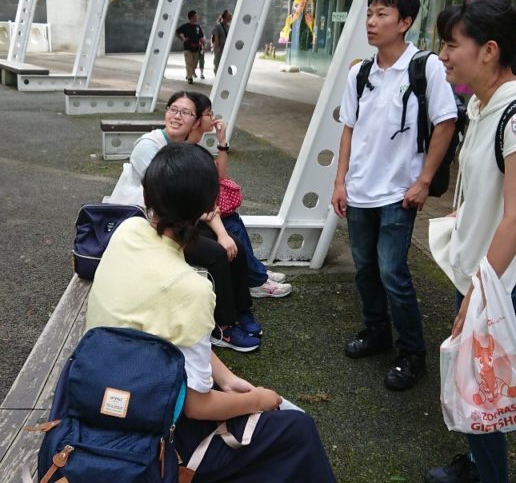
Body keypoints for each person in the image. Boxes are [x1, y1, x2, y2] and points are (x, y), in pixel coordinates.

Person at [87, 143, 338, 483]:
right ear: (208, 208)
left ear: (149, 196)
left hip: (100, 386)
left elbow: (173, 332)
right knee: (297, 427)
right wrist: (259, 399)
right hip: (149, 424)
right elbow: (196, 406)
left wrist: (227, 378)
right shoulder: (191, 288)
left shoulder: (128, 231)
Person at [424, 0, 516, 483]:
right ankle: (476, 463)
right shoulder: (483, 105)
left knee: (477, 385)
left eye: (450, 44)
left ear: (488, 50)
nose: (442, 54)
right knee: (472, 377)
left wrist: (481, 294)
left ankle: (488, 476)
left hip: (508, 277)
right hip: (484, 269)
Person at [330, 0, 459, 391]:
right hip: (360, 189)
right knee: (365, 268)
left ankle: (411, 352)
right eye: (370, 13)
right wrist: (340, 181)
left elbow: (446, 123)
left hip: (398, 193)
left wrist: (422, 182)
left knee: (392, 272)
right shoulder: (360, 72)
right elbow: (348, 128)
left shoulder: (426, 67)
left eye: (382, 14)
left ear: (405, 22)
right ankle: (376, 330)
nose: (371, 21)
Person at [108, 91, 262, 352]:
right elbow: (170, 201)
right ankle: (222, 328)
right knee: (215, 253)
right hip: (148, 226)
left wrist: (222, 233)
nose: (177, 116)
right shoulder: (150, 147)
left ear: (195, 122)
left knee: (232, 240)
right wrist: (217, 231)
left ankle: (241, 310)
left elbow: (209, 192)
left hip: (175, 220)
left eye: (186, 113)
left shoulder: (187, 149)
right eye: (173, 109)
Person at [185, 92, 292, 298]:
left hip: (199, 212)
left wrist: (222, 142)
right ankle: (257, 280)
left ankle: (256, 272)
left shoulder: (194, 146)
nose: (214, 116)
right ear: (198, 120)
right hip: (189, 218)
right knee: (231, 225)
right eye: (209, 113)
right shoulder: (186, 149)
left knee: (233, 218)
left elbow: (220, 176)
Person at [176, 10, 206, 84]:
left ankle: (189, 74)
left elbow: (201, 37)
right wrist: (183, 39)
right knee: (189, 62)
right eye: (196, 16)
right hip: (188, 48)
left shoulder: (198, 27)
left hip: (196, 48)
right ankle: (190, 78)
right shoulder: (185, 26)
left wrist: (204, 45)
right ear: (192, 17)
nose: (197, 17)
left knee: (194, 64)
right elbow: (177, 32)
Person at [211, 10, 231, 75]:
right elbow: (216, 38)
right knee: (218, 64)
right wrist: (217, 48)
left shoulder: (229, 27)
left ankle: (227, 77)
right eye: (229, 16)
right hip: (219, 49)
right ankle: (217, 77)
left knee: (227, 63)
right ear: (225, 17)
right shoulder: (218, 26)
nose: (231, 17)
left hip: (227, 49)